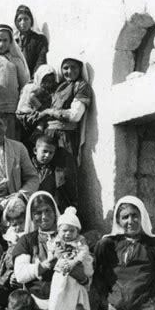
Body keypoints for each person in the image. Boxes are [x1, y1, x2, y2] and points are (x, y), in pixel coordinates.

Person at [43, 58, 93, 206]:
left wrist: (51, 112)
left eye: (73, 67)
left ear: (80, 68)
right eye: (65, 68)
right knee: (47, 176)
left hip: (64, 137)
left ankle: (68, 217)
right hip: (49, 135)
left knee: (65, 177)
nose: (69, 71)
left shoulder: (82, 86)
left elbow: (74, 115)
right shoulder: (59, 86)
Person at [46, 206, 93, 310]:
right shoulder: (56, 241)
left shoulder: (79, 242)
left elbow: (83, 253)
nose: (68, 234)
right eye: (64, 230)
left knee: (74, 290)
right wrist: (52, 256)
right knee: (58, 290)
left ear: (77, 231)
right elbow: (51, 251)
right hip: (61, 270)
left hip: (75, 268)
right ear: (58, 231)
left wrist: (74, 262)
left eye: (72, 231)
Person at [16, 65, 57, 151]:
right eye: (45, 81)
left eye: (51, 82)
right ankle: (37, 133)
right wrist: (40, 108)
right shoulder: (37, 87)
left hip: (21, 114)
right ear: (39, 78)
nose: (48, 84)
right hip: (26, 113)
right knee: (42, 119)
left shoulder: (30, 85)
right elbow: (31, 97)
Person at [30, 135, 75, 212]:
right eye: (44, 151)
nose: (47, 155)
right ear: (35, 150)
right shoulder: (27, 167)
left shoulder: (55, 170)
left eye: (51, 153)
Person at [0, 198, 26, 288]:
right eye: (14, 225)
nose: (18, 228)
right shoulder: (10, 235)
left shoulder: (30, 234)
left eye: (21, 223)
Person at [14, 4, 49, 78]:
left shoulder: (39, 39)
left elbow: (41, 61)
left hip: (33, 78)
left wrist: (33, 79)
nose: (22, 23)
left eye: (26, 19)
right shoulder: (12, 40)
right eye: (19, 20)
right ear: (16, 23)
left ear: (31, 21)